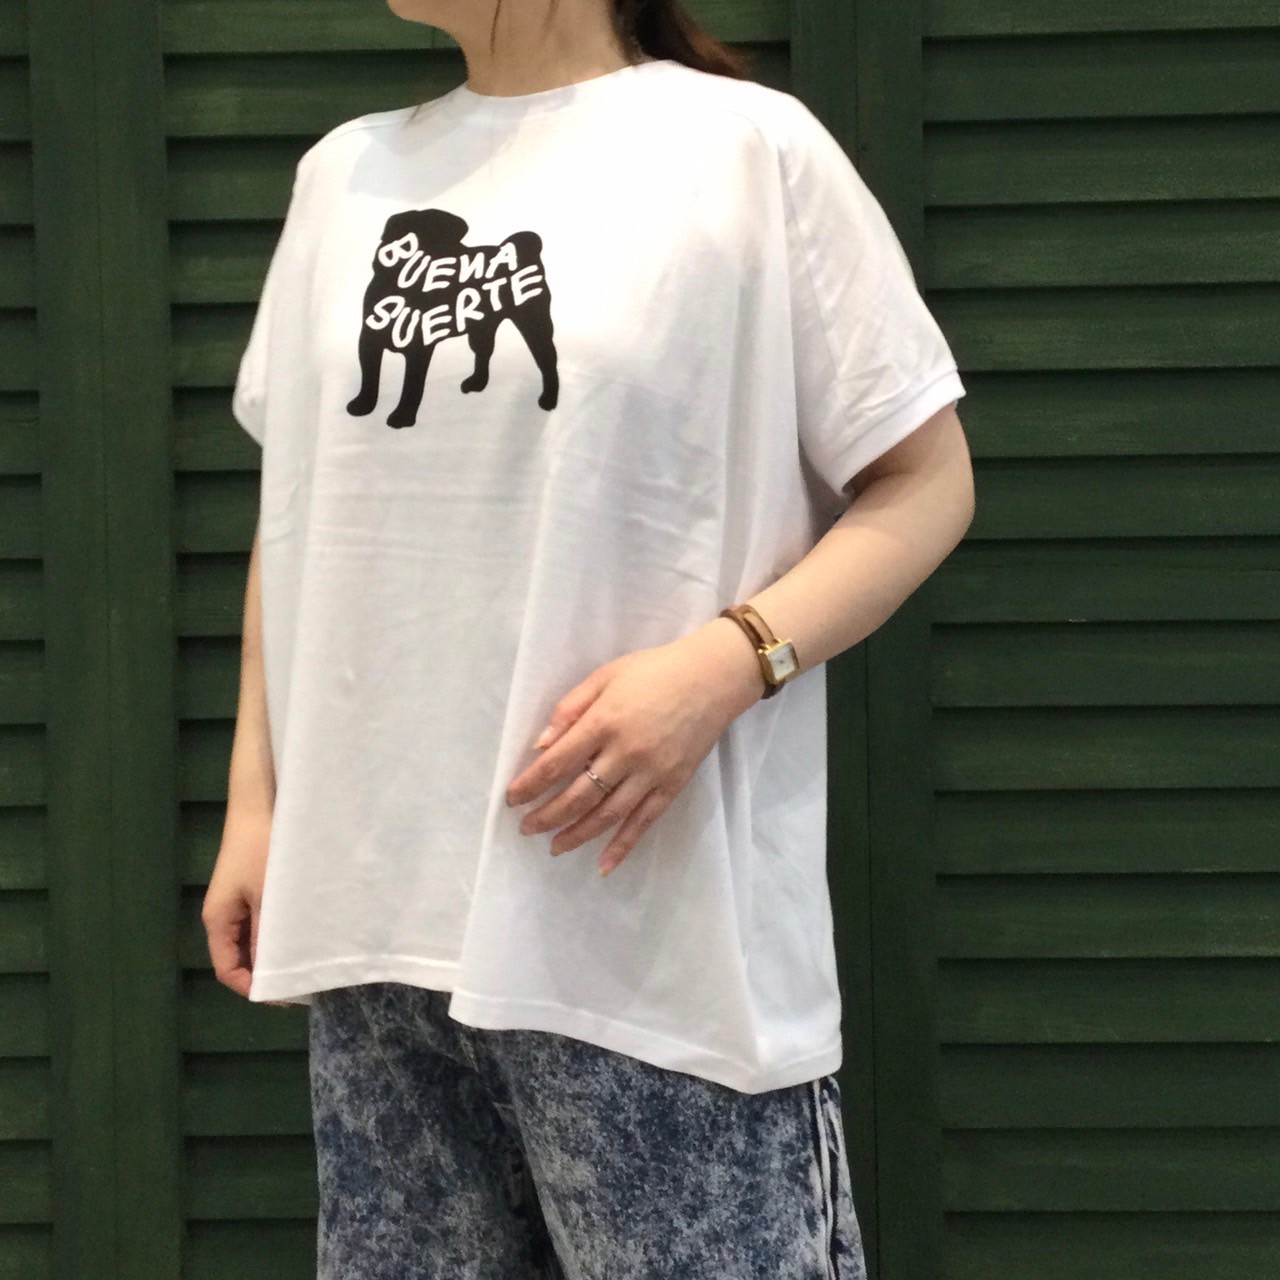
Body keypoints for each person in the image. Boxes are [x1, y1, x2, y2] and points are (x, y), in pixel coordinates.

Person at [201, 0, 975, 1273]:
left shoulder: (745, 150)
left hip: (644, 940)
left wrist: (728, 661)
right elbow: (299, 516)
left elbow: (925, 482)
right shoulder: (344, 174)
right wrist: (257, 804)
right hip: (376, 935)